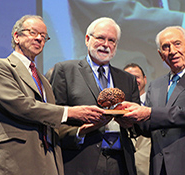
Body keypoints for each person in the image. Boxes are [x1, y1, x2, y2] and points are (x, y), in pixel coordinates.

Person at [0, 15, 105, 175]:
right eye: (33, 33)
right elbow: (21, 105)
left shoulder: (44, 82)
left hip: (48, 163)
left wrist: (82, 130)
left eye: (43, 36)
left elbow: (50, 125)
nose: (39, 39)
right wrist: (71, 112)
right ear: (16, 36)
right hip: (14, 162)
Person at [116, 26, 185, 175]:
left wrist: (148, 112)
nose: (172, 51)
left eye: (177, 43)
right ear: (161, 55)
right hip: (160, 168)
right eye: (166, 47)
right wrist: (131, 122)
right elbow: (149, 126)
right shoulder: (156, 85)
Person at [50, 17, 146, 175]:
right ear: (87, 39)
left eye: (111, 40)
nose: (106, 44)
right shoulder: (65, 71)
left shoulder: (127, 79)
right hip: (81, 160)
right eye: (101, 38)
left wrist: (131, 122)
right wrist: (81, 131)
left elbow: (137, 127)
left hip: (121, 163)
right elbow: (54, 120)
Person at [124, 63, 151, 175]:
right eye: (128, 78)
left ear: (144, 79)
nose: (133, 81)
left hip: (150, 166)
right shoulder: (114, 108)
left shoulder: (155, 103)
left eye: (137, 77)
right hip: (125, 167)